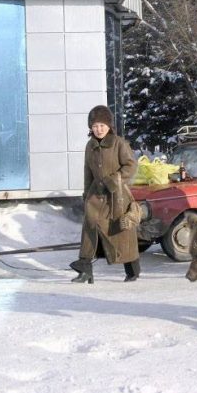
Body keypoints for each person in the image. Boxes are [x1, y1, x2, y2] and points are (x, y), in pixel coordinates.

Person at [70, 105, 140, 284]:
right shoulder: (90, 146)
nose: (98, 129)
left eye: (101, 125)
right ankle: (85, 269)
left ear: (109, 125)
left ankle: (132, 269)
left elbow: (131, 166)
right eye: (94, 126)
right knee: (90, 229)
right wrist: (86, 194)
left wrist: (115, 179)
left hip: (117, 195)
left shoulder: (119, 143)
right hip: (95, 196)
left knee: (121, 231)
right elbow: (88, 172)